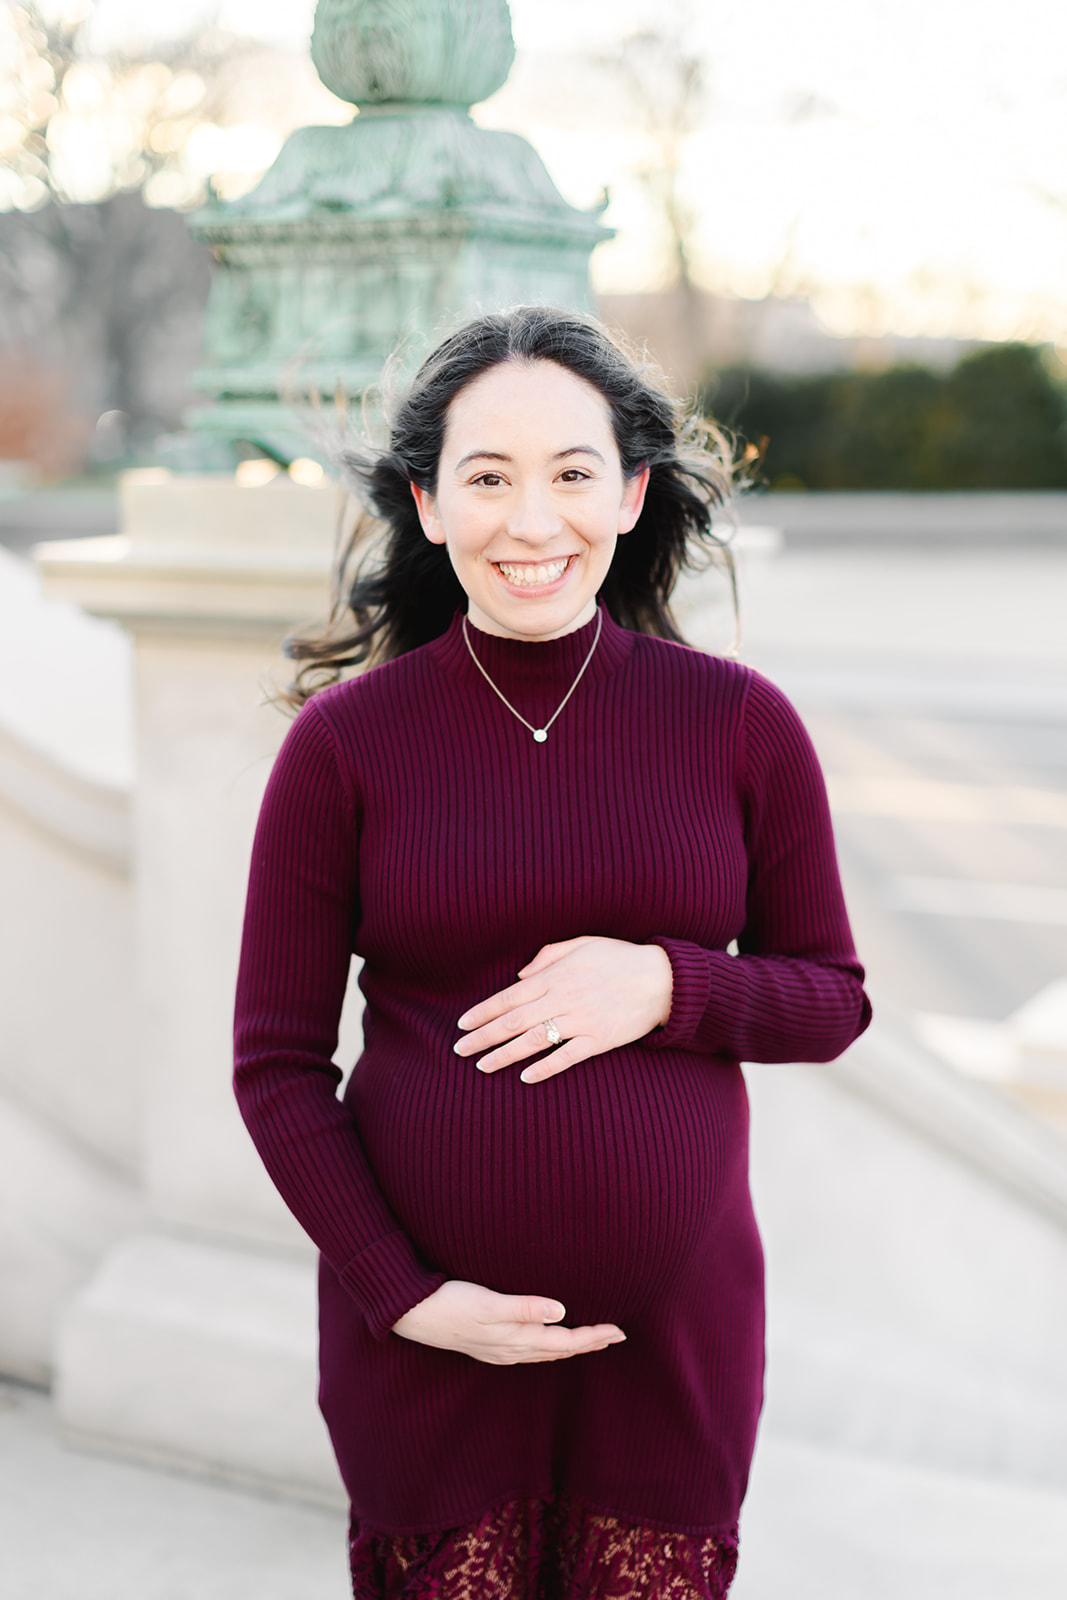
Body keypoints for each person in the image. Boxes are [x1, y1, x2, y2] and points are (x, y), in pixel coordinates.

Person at [233, 306, 871, 1599]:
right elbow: (277, 1066)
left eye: (575, 474)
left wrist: (669, 984)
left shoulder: (742, 728)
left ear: (633, 493)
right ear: (427, 501)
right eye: (488, 478)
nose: (535, 522)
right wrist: (399, 1294)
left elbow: (831, 1000)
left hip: (671, 1347)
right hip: (424, 1355)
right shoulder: (345, 749)